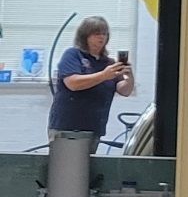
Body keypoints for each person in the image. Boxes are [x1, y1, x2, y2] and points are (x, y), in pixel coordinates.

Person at [49, 16, 134, 152]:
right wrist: (103, 75)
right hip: (69, 126)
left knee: (88, 164)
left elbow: (124, 91)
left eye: (104, 34)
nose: (101, 37)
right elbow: (73, 83)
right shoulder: (73, 55)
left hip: (94, 127)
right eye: (96, 34)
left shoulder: (108, 63)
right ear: (85, 36)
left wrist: (129, 76)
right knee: (67, 164)